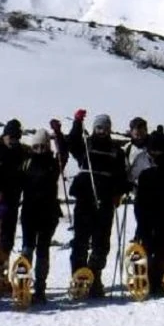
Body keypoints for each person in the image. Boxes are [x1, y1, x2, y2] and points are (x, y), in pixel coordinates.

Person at [66, 110, 130, 297]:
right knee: (80, 241)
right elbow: (72, 143)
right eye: (99, 127)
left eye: (105, 128)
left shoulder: (115, 151)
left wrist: (121, 189)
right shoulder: (86, 146)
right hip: (85, 199)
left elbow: (121, 175)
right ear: (94, 128)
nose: (102, 131)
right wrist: (78, 122)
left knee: (101, 243)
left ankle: (95, 278)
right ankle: (78, 278)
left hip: (105, 201)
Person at [18, 128, 66, 303]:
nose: (39, 150)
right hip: (29, 212)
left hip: (48, 213)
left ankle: (40, 288)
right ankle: (23, 285)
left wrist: (58, 134)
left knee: (42, 250)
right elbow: (16, 183)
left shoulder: (54, 163)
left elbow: (64, 153)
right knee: (27, 249)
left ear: (48, 146)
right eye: (36, 146)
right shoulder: (26, 163)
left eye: (43, 146)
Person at [0, 119, 27, 294]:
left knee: (7, 237)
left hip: (12, 200)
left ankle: (3, 273)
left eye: (16, 137)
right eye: (10, 136)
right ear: (4, 135)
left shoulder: (21, 153)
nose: (13, 140)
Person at [133, 126, 164, 295]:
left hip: (163, 212)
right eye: (153, 151)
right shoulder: (144, 167)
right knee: (148, 245)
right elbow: (137, 192)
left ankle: (157, 279)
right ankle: (146, 278)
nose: (156, 154)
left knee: (160, 247)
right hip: (145, 212)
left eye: (158, 151)